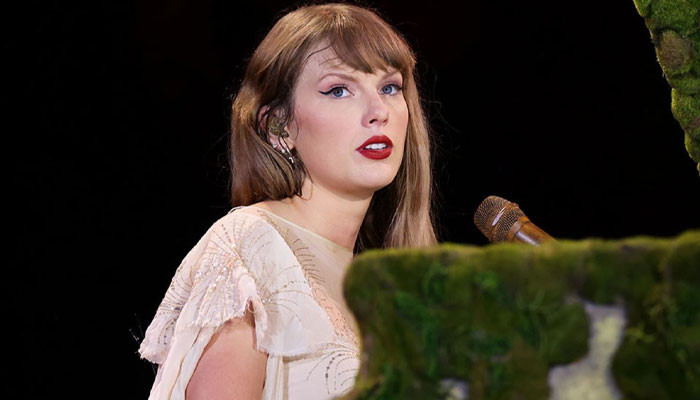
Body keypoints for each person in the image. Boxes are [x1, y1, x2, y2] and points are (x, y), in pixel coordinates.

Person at [139, 3, 438, 399]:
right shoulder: (250, 249)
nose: (378, 112)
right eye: (338, 90)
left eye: (389, 88)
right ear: (279, 127)